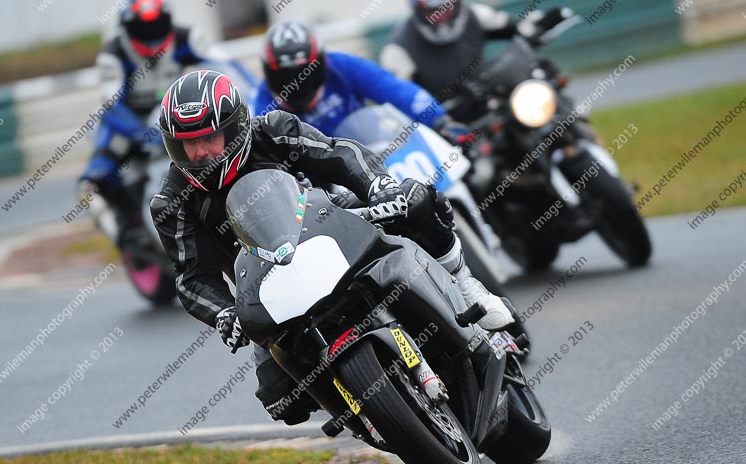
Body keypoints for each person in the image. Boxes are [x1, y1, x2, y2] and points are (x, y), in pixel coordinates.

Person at [151, 70, 515, 425]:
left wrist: (378, 187)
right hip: (266, 290)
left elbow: (339, 154)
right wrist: (223, 312)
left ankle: (463, 282)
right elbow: (192, 278)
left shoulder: (274, 130)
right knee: (282, 400)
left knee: (416, 200)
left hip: (330, 228)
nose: (198, 153)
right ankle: (369, 416)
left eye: (208, 138)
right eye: (186, 143)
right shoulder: (171, 202)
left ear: (235, 128)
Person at [79, 0, 215, 252]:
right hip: (128, 125)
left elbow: (223, 68)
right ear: (127, 25)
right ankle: (124, 234)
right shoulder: (114, 53)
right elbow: (112, 106)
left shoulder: (188, 37)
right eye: (142, 27)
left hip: (177, 117)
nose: (151, 34)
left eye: (156, 24)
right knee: (90, 186)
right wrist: (144, 136)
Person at [255, 20, 467, 142]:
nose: (297, 81)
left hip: (377, 157)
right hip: (328, 195)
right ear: (269, 72)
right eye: (286, 74)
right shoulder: (264, 110)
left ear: (319, 62)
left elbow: (395, 89)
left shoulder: (341, 66)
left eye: (304, 71)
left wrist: (440, 121)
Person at [381, 0, 572, 118]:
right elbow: (399, 100)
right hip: (456, 124)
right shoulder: (398, 50)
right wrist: (437, 113)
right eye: (433, 11)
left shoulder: (475, 15)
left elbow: (515, 26)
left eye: (446, 7)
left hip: (493, 100)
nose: (442, 15)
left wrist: (539, 24)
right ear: (417, 8)